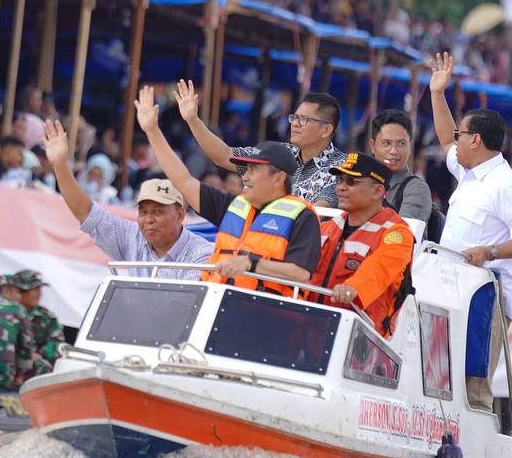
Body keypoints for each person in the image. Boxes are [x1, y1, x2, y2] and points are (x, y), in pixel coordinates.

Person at [430, 52, 512, 411]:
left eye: (463, 135)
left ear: (476, 140)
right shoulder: (468, 172)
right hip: (451, 290)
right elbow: (447, 139)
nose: (455, 141)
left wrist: (488, 252)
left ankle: (477, 457)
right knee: (441, 378)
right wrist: (437, 94)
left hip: (486, 300)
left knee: (473, 385)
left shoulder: (506, 184)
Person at [136, 86, 321, 296]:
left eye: (254, 170)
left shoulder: (303, 217)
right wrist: (152, 130)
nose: (245, 176)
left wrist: (251, 264)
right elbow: (183, 181)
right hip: (216, 305)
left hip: (267, 316)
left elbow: (300, 274)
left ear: (278, 178)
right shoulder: (233, 206)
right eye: (246, 169)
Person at [43, 118, 213, 277]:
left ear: (180, 214)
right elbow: (85, 212)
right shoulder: (133, 237)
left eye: (158, 212)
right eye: (143, 212)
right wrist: (59, 165)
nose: (149, 219)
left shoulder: (201, 254)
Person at [173, 80, 346, 207]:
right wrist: (193, 120)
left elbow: (321, 210)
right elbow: (224, 156)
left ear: (326, 130)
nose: (295, 123)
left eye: (305, 119)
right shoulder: (281, 153)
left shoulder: (343, 168)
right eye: (295, 117)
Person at [310, 154, 415, 335]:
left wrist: (353, 288)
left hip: (360, 341)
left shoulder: (397, 234)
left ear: (377, 191)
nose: (341, 187)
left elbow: (379, 268)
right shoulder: (326, 227)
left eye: (351, 182)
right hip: (308, 328)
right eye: (340, 180)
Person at [368, 109, 435, 226]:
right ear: (373, 146)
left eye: (401, 144)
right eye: (386, 143)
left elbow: (402, 234)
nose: (393, 151)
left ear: (410, 146)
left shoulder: (416, 188)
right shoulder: (359, 182)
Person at [13, 270, 65, 378]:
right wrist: (25, 356)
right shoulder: (7, 313)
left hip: (35, 366)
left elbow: (57, 345)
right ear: (20, 291)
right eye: (34, 289)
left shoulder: (47, 317)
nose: (39, 294)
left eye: (39, 289)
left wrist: (39, 354)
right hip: (9, 361)